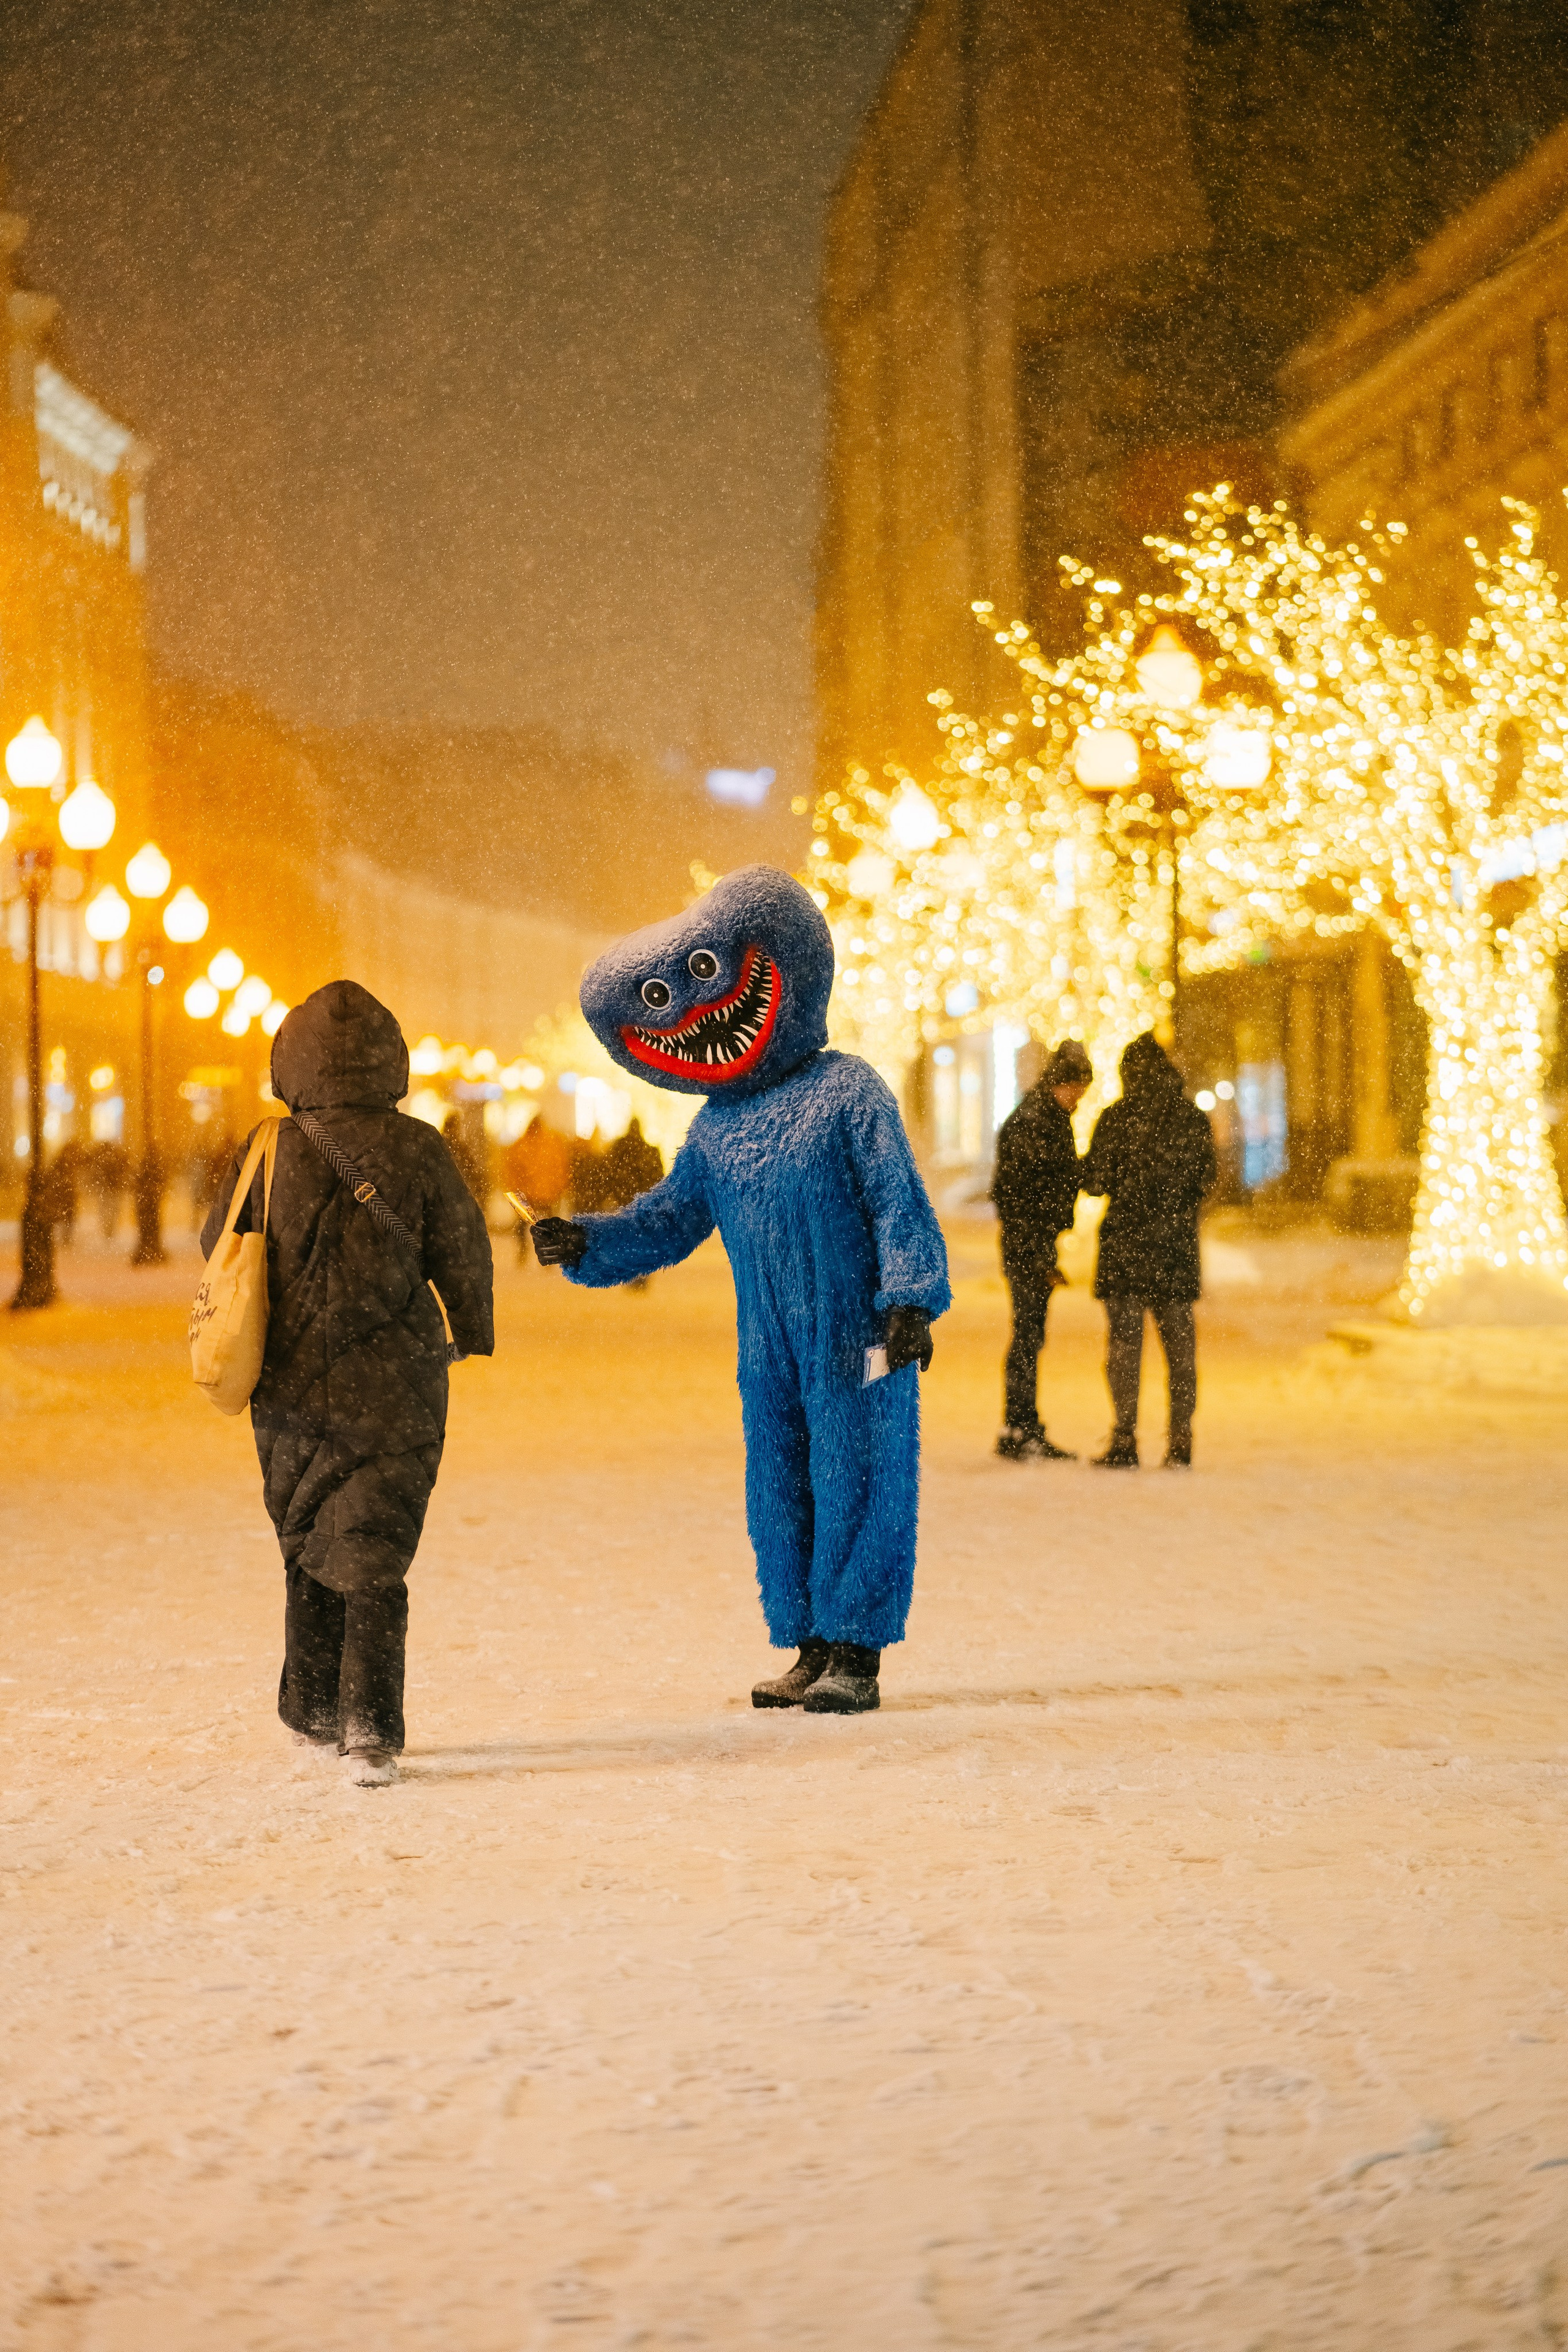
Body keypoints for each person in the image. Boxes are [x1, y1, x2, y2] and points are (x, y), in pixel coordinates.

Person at [533, 865, 950, 1716]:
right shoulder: (717, 1130)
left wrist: (910, 1297)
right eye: (662, 996)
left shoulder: (847, 1091)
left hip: (861, 1331)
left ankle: (856, 1648)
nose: (695, 1007)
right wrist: (589, 1242)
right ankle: (808, 1640)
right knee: (782, 1482)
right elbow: (669, 1219)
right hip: (767, 1346)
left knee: (860, 1473)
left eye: (701, 973)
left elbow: (895, 1197)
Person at [202, 980, 494, 1785]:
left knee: (306, 1523)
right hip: (397, 1373)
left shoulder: (268, 1147)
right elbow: (463, 1245)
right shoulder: (419, 1147)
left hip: (290, 1376)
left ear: (291, 1062)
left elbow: (218, 1240)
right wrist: (471, 1327)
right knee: (375, 1539)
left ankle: (313, 1702)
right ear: (388, 1060)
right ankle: (370, 1723)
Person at [1080, 1030, 1216, 1469]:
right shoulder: (1191, 1119)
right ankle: (1181, 1440)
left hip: (1125, 1251)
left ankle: (1125, 1438)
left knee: (1125, 1350)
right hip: (1175, 1251)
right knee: (1180, 1352)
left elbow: (1095, 1182)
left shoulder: (1117, 1119)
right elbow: (1208, 1180)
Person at [991, 1039, 1091, 1461]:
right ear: (1061, 1083)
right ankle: (1019, 1427)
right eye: (1077, 1088)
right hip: (1027, 1248)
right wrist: (1036, 1257)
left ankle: (1021, 1425)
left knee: (1030, 1335)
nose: (1079, 1098)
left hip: (1032, 1245)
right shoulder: (1036, 1123)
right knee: (1028, 1335)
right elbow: (1020, 1197)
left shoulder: (1047, 1119)